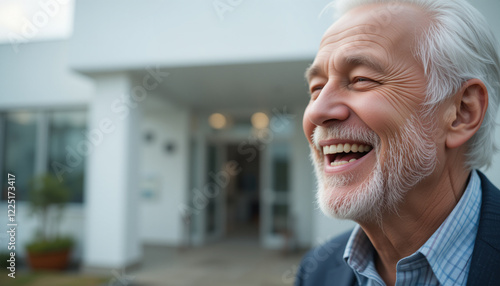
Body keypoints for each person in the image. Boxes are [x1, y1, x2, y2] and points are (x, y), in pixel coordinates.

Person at [296, 0, 500, 285]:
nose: (317, 112)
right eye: (316, 88)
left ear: (462, 112)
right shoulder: (316, 271)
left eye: (361, 79)